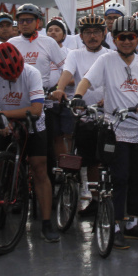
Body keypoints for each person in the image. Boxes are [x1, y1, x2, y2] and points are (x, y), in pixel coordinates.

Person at [75, 15, 138, 249]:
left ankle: (132, 223)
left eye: (130, 37)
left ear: (137, 39)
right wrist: (77, 97)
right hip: (116, 129)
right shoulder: (106, 60)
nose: (126, 41)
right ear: (113, 39)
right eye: (121, 37)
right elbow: (86, 80)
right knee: (119, 177)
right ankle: (113, 224)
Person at [0, 42, 59, 243]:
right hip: (6, 120)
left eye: (16, 75)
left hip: (32, 123)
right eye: (8, 77)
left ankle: (46, 222)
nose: (13, 79)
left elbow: (35, 110)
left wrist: (0, 113)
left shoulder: (31, 73)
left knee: (39, 169)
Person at [50, 15, 111, 211]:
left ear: (104, 34)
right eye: (87, 33)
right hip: (84, 115)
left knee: (109, 160)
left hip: (109, 114)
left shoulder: (112, 54)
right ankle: (94, 200)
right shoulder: (75, 54)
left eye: (96, 32)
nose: (92, 36)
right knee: (90, 160)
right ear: (81, 36)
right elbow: (67, 74)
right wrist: (60, 89)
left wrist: (109, 99)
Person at [11, 3, 69, 164]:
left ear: (38, 23)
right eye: (21, 20)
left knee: (45, 149)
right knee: (16, 148)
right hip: (17, 99)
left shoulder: (48, 42)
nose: (24, 24)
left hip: (43, 100)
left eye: (29, 20)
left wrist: (59, 89)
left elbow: (65, 68)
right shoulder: (12, 43)